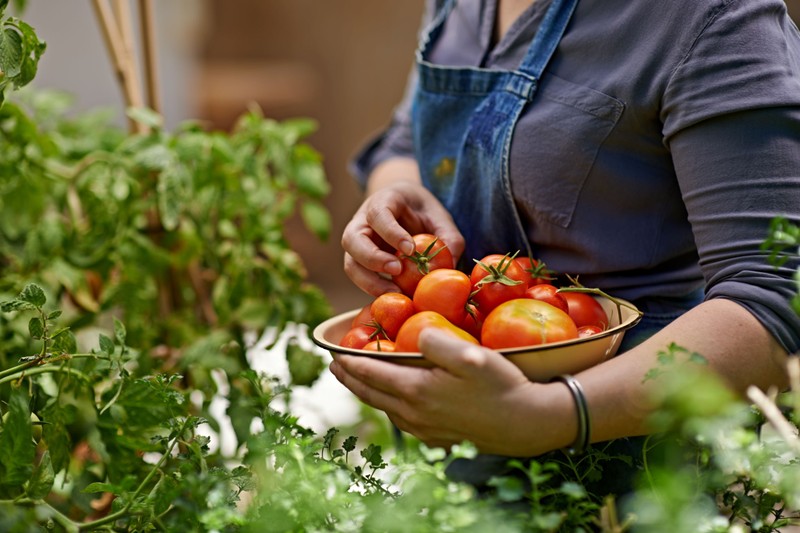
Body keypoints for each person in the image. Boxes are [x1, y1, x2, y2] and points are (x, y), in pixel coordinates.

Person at [330, 0, 800, 494]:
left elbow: (775, 296)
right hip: (446, 446)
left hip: (639, 467)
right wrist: (396, 195)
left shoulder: (707, 16)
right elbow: (405, 141)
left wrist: (554, 413)